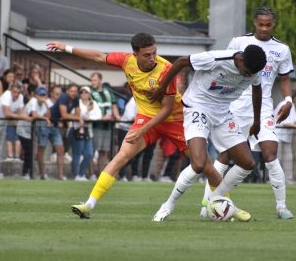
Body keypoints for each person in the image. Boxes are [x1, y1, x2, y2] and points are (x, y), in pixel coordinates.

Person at [47, 33, 223, 219]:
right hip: (146, 119)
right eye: (147, 55)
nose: (152, 58)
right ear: (135, 54)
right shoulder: (126, 61)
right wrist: (66, 48)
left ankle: (226, 205)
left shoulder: (166, 70)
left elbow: (166, 109)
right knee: (121, 156)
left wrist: (142, 130)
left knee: (205, 165)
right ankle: (89, 205)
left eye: (154, 52)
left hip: (175, 120)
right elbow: (98, 56)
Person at [150, 45, 266, 222]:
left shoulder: (254, 70)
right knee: (198, 163)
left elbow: (257, 90)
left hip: (223, 113)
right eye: (246, 71)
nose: (248, 76)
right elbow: (181, 61)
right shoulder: (217, 59)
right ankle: (168, 206)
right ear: (240, 60)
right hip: (198, 107)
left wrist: (257, 121)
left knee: (248, 163)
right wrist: (161, 89)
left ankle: (215, 199)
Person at [201, 6, 295, 219]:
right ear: (254, 22)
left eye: (268, 24)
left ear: (274, 25)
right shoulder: (239, 42)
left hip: (263, 109)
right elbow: (226, 67)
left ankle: (282, 207)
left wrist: (288, 100)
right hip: (234, 108)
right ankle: (208, 202)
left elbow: (285, 79)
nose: (263, 28)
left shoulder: (282, 50)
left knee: (271, 154)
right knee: (225, 155)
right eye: (260, 24)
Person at [0, 83, 31, 178]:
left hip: (3, 124)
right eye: (14, 92)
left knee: (0, 149)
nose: (16, 94)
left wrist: (25, 117)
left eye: (18, 92)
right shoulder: (6, 95)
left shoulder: (21, 97)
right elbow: (7, 113)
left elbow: (21, 112)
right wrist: (22, 117)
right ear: (11, 90)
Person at [89, 72, 121, 176]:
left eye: (95, 80)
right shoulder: (90, 93)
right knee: (92, 152)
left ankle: (101, 175)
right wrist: (101, 117)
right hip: (95, 126)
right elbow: (89, 109)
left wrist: (117, 116)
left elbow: (114, 104)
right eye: (92, 80)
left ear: (100, 81)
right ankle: (91, 174)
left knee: (103, 152)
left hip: (108, 127)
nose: (92, 82)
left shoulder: (108, 92)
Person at [16, 86, 51, 179]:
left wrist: (46, 104)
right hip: (23, 129)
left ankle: (28, 173)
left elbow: (48, 115)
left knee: (30, 152)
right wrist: (45, 118)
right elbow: (34, 115)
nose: (42, 97)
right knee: (29, 151)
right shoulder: (33, 101)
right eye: (40, 95)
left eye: (44, 95)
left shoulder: (44, 103)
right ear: (36, 95)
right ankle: (25, 173)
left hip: (31, 131)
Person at [69, 86, 101, 181]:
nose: (83, 94)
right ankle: (76, 175)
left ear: (89, 94)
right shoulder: (77, 102)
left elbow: (98, 115)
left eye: (86, 92)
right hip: (77, 129)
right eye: (82, 92)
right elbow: (74, 114)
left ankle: (81, 174)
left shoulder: (93, 103)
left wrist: (89, 118)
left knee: (89, 154)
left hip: (88, 130)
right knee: (77, 153)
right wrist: (86, 114)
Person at [36, 85, 64, 180]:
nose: (58, 96)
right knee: (41, 150)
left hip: (54, 127)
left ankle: (60, 175)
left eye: (60, 94)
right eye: (56, 94)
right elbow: (46, 114)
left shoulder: (61, 103)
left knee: (60, 149)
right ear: (51, 94)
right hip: (44, 126)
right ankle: (42, 174)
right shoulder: (46, 101)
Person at [274, 90, 296, 184]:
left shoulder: (292, 105)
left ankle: (287, 179)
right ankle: (275, 180)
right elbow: (284, 123)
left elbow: (295, 119)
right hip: (278, 135)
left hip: (287, 137)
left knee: (288, 159)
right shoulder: (284, 104)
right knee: (278, 159)